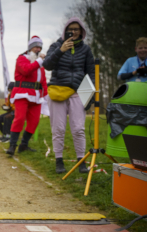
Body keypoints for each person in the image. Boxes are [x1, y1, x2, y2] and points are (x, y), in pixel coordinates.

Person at [43, 17, 94, 174]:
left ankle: (81, 161)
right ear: (65, 31)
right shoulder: (56, 45)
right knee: (58, 128)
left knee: (79, 129)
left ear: (82, 32)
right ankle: (59, 161)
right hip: (57, 92)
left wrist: (90, 96)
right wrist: (61, 50)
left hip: (77, 92)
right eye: (70, 29)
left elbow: (91, 73)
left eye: (76, 29)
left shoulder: (86, 50)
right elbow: (47, 65)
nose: (73, 32)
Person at [6, 35, 48, 155]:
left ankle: (24, 145)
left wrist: (45, 94)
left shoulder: (40, 64)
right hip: (22, 93)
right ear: (30, 48)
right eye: (35, 47)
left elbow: (43, 80)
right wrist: (39, 61)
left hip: (36, 96)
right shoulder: (21, 58)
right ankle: (12, 145)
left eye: (39, 47)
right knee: (19, 119)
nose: (38, 49)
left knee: (34, 121)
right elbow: (26, 70)